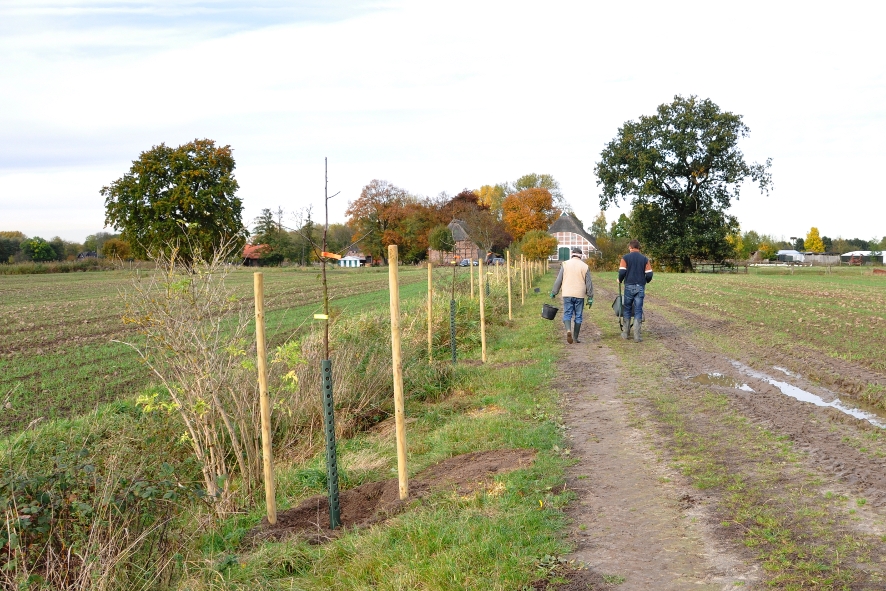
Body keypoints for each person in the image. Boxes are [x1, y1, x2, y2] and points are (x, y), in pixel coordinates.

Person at [550, 247, 593, 344]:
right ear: (580, 256)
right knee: (578, 316)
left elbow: (559, 280)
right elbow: (589, 283)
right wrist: (590, 297)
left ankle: (568, 330)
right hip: (579, 294)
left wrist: (554, 292)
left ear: (572, 254)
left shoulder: (565, 264)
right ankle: (575, 337)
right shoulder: (585, 266)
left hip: (567, 293)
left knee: (567, 313)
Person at [618, 239, 653, 341]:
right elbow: (649, 274)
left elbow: (622, 272)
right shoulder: (645, 259)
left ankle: (625, 333)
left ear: (630, 247)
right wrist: (645, 281)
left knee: (627, 308)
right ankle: (637, 336)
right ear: (639, 248)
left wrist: (620, 280)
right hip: (640, 286)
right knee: (638, 309)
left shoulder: (625, 258)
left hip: (628, 286)